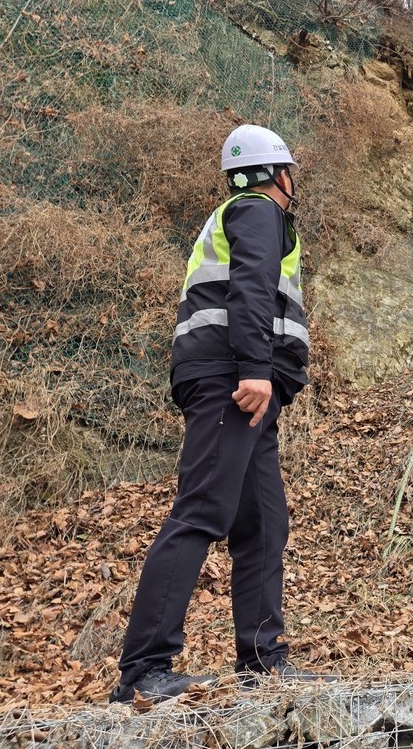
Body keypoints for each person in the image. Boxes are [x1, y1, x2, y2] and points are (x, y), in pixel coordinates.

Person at [109, 124, 320, 703]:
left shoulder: (237, 212)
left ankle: (263, 661)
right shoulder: (258, 211)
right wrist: (255, 367)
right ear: (278, 174)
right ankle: (144, 672)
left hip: (238, 379)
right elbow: (251, 286)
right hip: (236, 379)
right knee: (202, 510)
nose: (292, 182)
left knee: (262, 522)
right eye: (290, 172)